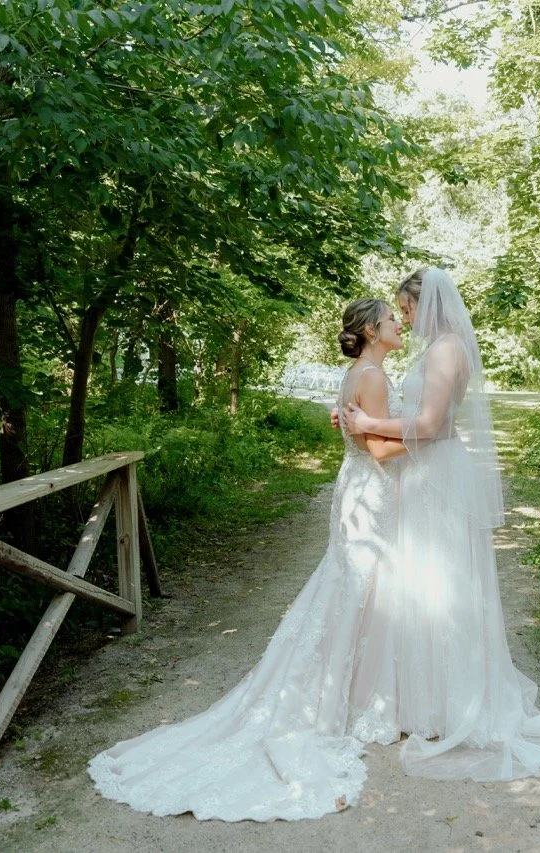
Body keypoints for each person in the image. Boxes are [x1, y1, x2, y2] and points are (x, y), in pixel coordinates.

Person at [88, 299, 406, 821]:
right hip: (369, 493)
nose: (398, 325)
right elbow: (379, 450)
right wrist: (432, 437)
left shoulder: (361, 372)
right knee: (357, 588)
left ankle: (352, 691)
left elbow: (359, 432)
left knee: (352, 587)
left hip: (358, 492)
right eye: (391, 320)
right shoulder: (371, 375)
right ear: (372, 330)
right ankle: (342, 701)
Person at [344, 267, 540, 780]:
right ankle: (421, 699)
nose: (405, 318)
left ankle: (448, 704)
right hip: (423, 469)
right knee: (421, 583)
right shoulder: (440, 348)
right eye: (400, 313)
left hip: (437, 474)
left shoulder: (447, 349)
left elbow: (429, 425)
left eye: (407, 309)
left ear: (428, 305)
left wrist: (368, 424)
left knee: (438, 580)